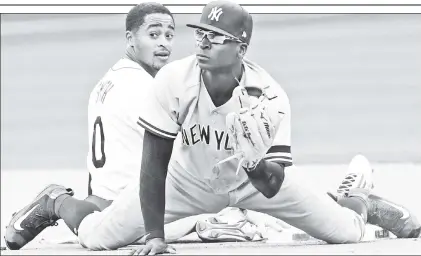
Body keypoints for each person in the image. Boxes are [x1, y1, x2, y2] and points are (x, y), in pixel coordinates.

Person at [135, 1, 420, 255]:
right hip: (188, 183)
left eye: (216, 36)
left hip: (256, 185)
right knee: (96, 237)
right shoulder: (174, 79)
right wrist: (155, 235)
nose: (203, 43)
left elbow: (272, 186)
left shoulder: (270, 97)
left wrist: (254, 162)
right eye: (200, 33)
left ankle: (357, 200)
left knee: (346, 232)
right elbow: (153, 163)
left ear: (241, 49)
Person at [3, 2, 285, 251]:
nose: (164, 43)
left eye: (169, 35)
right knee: (225, 215)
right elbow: (191, 154)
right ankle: (58, 203)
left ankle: (63, 205)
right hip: (128, 201)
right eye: (153, 35)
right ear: (130, 38)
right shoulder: (147, 87)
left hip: (102, 195)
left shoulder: (110, 79)